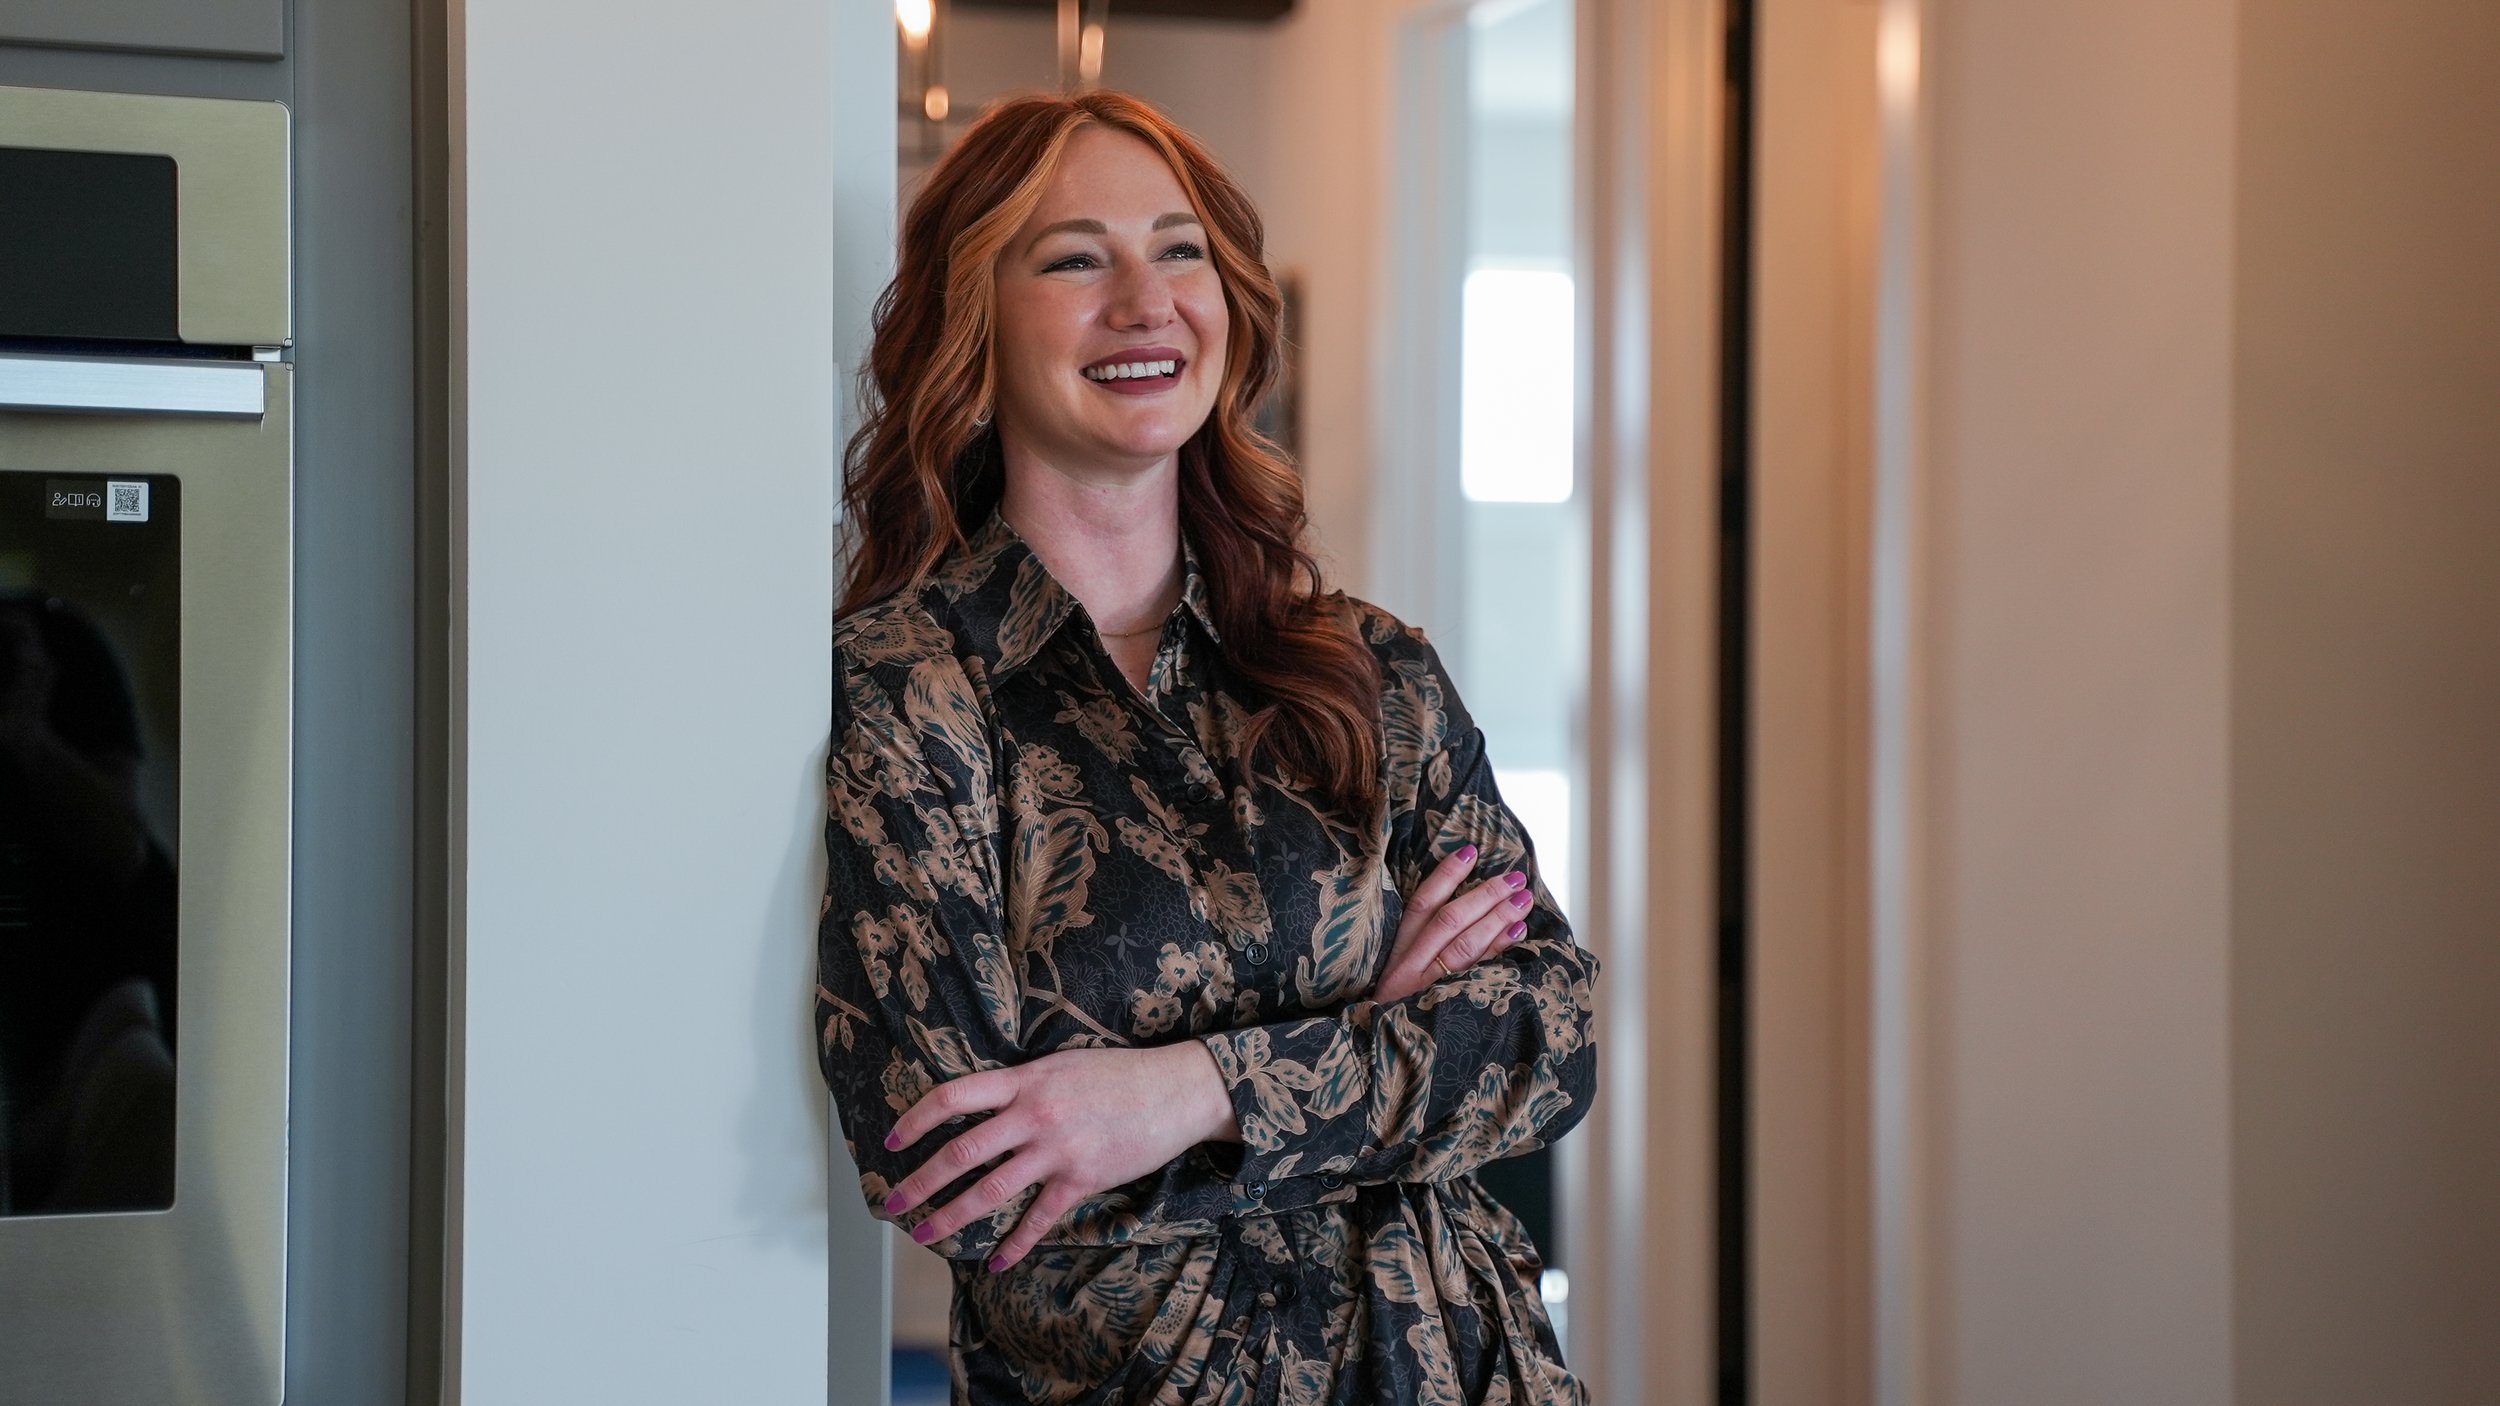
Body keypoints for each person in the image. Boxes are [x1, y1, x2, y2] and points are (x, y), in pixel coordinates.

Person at [816, 89, 1599, 1405]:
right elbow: (961, 1177)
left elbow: (1547, 1028)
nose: (1145, 301)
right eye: (1075, 258)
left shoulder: (1369, 667)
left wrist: (1183, 1090)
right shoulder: (914, 688)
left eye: (1178, 251)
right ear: (977, 322)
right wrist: (1380, 1036)